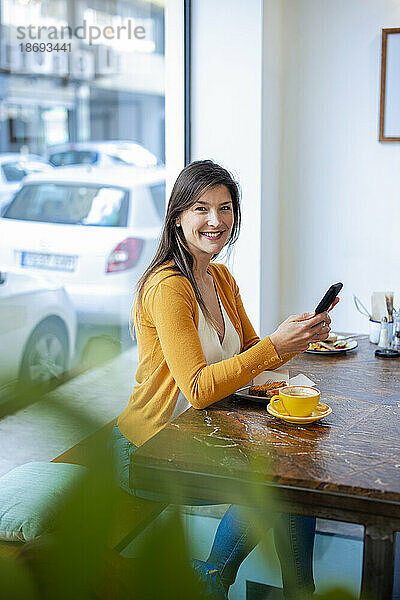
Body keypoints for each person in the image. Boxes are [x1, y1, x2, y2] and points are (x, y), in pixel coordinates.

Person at [111, 160, 338, 599]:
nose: (216, 221)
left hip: (200, 435)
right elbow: (197, 389)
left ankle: (246, 582)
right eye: (201, 208)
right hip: (149, 448)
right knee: (283, 483)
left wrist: (298, 338)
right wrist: (274, 345)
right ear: (177, 215)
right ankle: (223, 578)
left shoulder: (219, 277)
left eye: (225, 208)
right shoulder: (168, 286)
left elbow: (255, 353)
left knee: (294, 473)